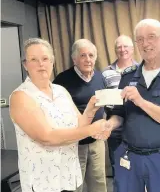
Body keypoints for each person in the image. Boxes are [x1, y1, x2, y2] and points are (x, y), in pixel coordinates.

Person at [100, 19, 160, 192]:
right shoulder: (127, 76)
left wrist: (140, 101)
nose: (145, 43)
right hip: (129, 156)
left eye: (151, 37)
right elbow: (120, 113)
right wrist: (109, 124)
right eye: (140, 39)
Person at [9, 38, 107, 192]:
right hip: (43, 181)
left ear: (52, 62)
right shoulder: (21, 96)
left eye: (45, 58)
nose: (41, 64)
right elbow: (46, 137)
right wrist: (92, 130)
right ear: (25, 65)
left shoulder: (61, 91)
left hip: (68, 175)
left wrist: (90, 110)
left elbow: (79, 124)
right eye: (34, 59)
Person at [53, 39, 107, 192]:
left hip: (97, 142)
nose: (88, 59)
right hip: (74, 144)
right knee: (74, 185)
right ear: (74, 59)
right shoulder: (61, 80)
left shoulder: (100, 77)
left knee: (99, 183)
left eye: (91, 55)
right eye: (83, 55)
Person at [102, 35, 137, 177]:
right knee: (117, 166)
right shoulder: (106, 72)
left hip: (135, 126)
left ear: (133, 49)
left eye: (126, 46)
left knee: (136, 168)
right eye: (119, 47)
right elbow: (102, 98)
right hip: (115, 127)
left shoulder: (141, 70)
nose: (122, 50)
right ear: (115, 50)